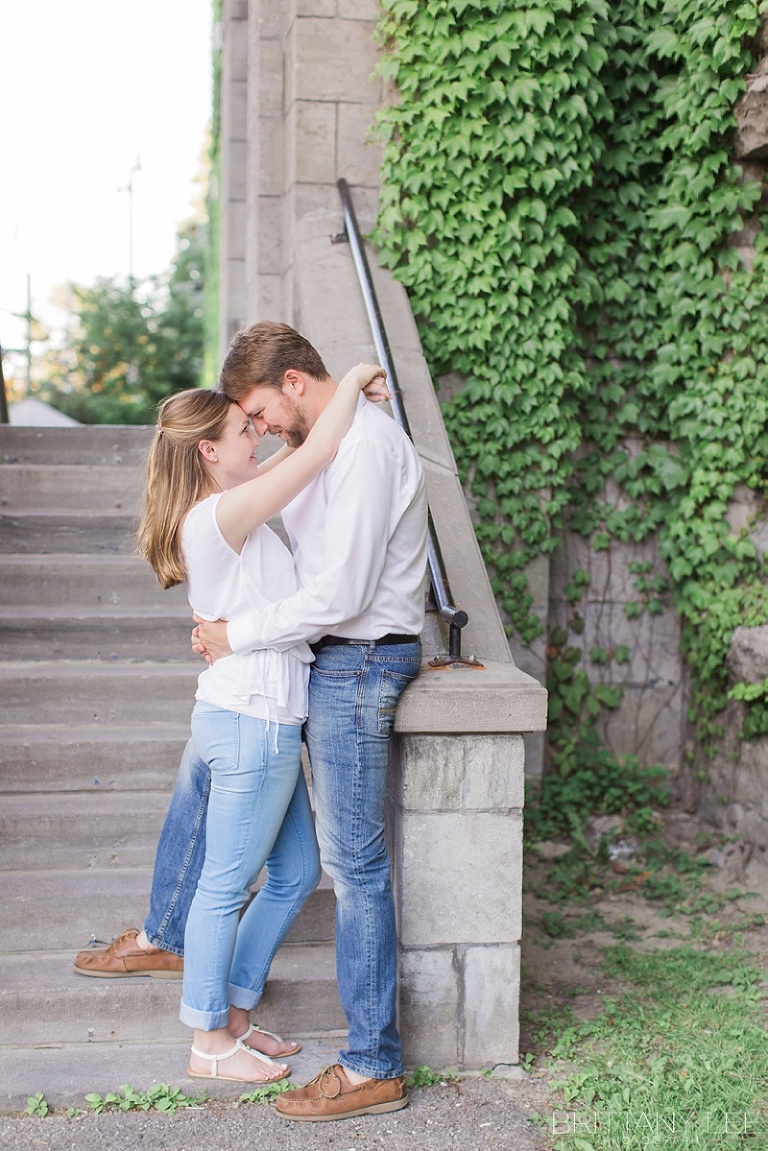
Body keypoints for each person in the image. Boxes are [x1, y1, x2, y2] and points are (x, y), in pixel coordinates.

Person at [76, 322, 429, 1119]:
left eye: (259, 415)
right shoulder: (225, 510)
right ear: (210, 451)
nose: (259, 432)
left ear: (294, 386)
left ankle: (240, 1018)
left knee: (307, 871)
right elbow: (304, 467)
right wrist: (358, 376)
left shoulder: (309, 465)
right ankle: (209, 1037)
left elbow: (321, 542)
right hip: (251, 713)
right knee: (231, 880)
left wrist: (355, 383)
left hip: (287, 694)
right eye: (244, 427)